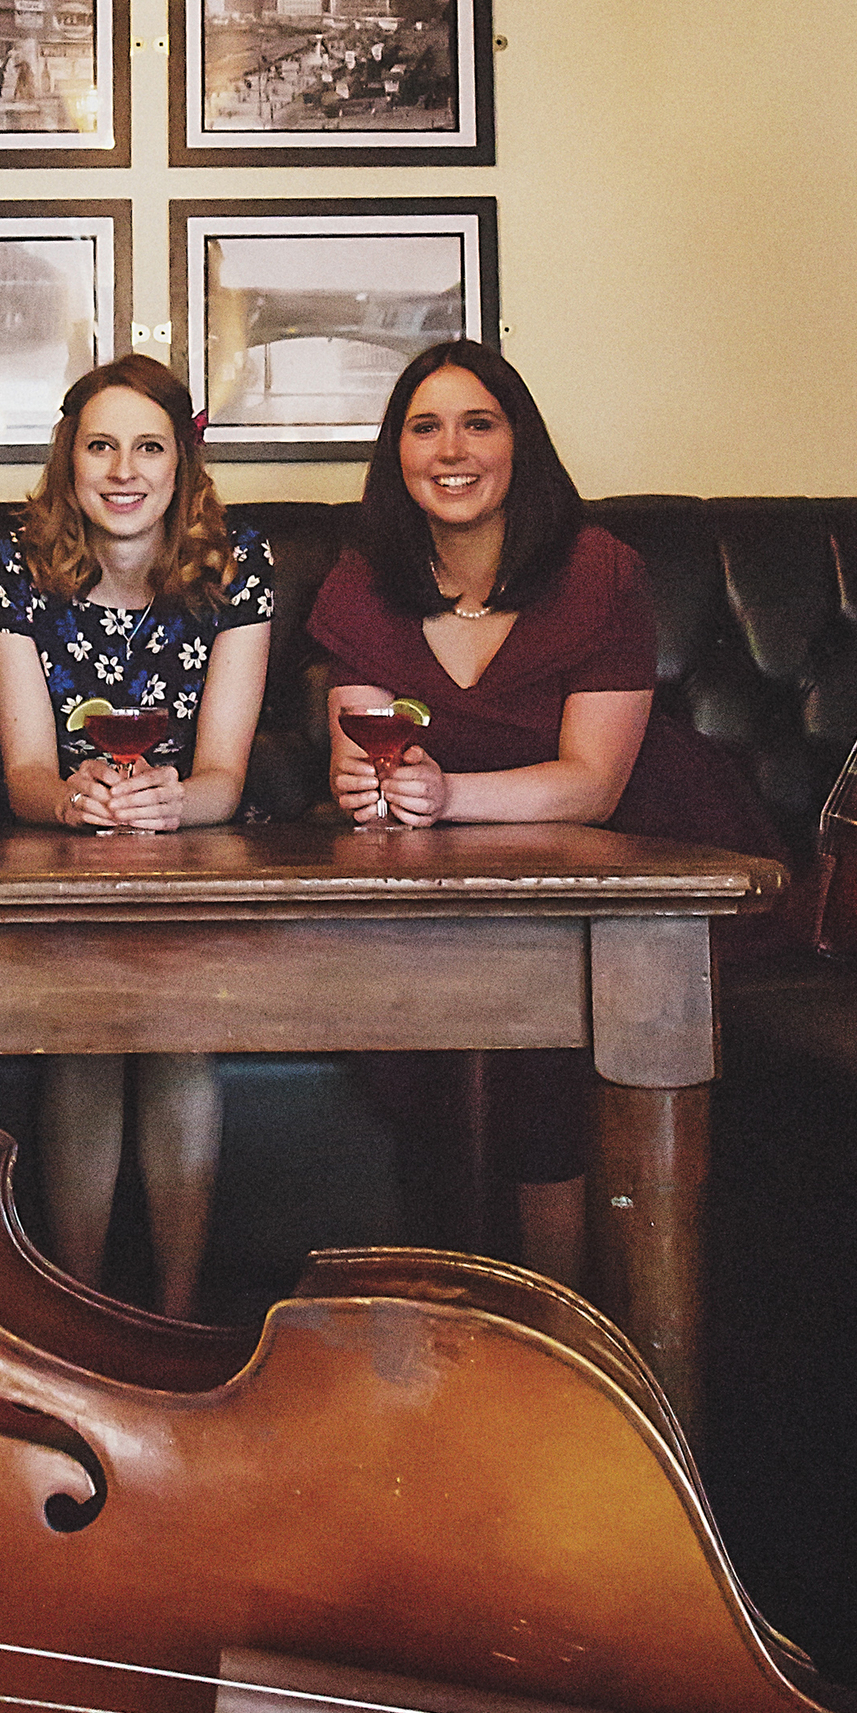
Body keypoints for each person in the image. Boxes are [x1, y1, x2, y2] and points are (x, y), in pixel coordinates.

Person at [307, 338, 783, 1287]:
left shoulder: (600, 571)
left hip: (627, 847)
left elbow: (593, 783)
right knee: (417, 1005)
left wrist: (446, 796)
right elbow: (360, 751)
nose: (452, 451)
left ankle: (560, 1318)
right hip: (454, 875)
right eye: (425, 428)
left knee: (548, 1033)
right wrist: (366, 788)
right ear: (396, 454)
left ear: (518, 442)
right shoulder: (362, 582)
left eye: (478, 424)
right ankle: (457, 1305)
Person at [0, 354, 274, 1319]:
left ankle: (176, 1317)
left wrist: (169, 803)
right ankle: (82, 1312)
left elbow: (224, 777)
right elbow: (27, 772)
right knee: (87, 1026)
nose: (123, 470)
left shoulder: (238, 563)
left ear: (182, 461)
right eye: (100, 446)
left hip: (191, 854)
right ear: (68, 457)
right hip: (62, 858)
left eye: (148, 447)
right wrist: (73, 802)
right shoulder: (15, 564)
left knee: (178, 1023)